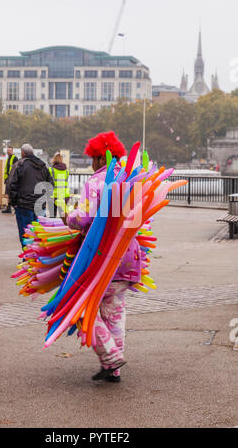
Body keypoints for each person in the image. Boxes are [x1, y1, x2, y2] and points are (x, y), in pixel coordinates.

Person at [66, 131, 141, 383]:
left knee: (78, 307)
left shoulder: (96, 183)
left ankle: (109, 354)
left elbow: (84, 218)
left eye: (92, 158)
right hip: (128, 255)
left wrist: (70, 217)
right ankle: (114, 370)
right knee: (115, 313)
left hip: (99, 259)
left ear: (99, 158)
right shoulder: (132, 180)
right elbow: (139, 221)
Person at [9, 143, 54, 246]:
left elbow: (12, 185)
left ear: (23, 153)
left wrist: (14, 202)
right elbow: (50, 185)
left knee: (26, 234)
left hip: (24, 205)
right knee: (38, 234)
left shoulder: (20, 164)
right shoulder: (43, 165)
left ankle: (27, 259)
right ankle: (36, 258)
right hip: (39, 206)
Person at [49, 153, 70, 217]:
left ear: (54, 159)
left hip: (54, 196)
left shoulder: (51, 170)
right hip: (64, 195)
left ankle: (52, 226)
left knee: (52, 216)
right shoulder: (66, 171)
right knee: (63, 216)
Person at [2, 146, 18, 213]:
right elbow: (7, 169)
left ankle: (14, 208)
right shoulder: (8, 158)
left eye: (10, 150)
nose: (8, 152)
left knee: (12, 193)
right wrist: (5, 178)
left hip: (12, 178)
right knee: (7, 194)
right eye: (8, 150)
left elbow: (16, 168)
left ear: (12, 151)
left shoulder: (14, 158)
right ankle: (8, 207)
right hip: (8, 178)